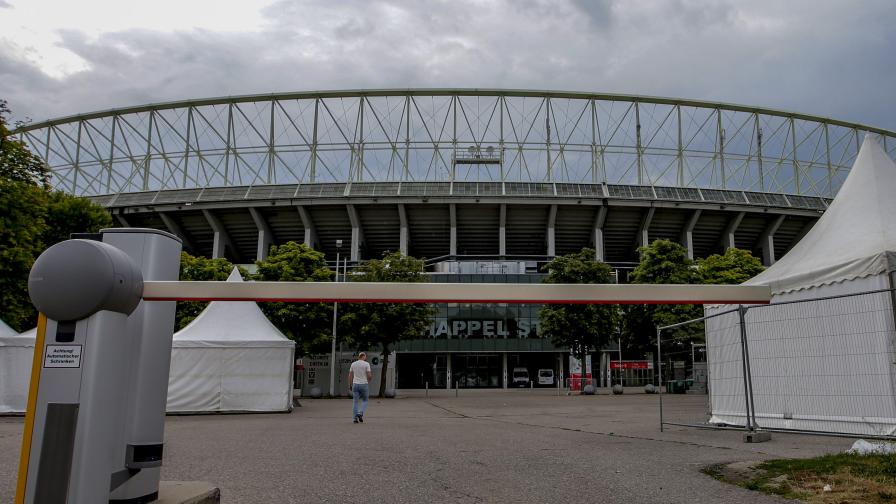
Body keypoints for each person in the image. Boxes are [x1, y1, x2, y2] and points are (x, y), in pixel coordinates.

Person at [348, 352, 373, 423]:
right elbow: (369, 375)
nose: (366, 358)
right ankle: (360, 412)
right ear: (363, 356)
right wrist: (369, 380)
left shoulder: (353, 364)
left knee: (355, 402)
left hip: (355, 384)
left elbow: (350, 375)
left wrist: (349, 385)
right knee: (365, 400)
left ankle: (355, 418)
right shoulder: (366, 364)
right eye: (365, 356)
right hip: (364, 384)